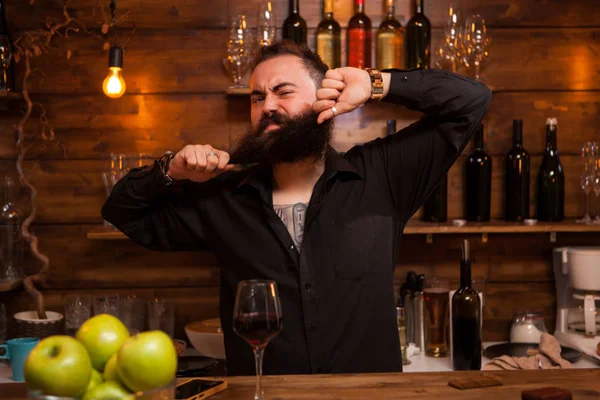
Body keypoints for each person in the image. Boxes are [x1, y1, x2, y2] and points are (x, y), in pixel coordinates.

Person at [102, 41, 492, 376]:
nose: (267, 105)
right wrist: (168, 170)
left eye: (282, 91)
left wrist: (375, 83)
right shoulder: (221, 195)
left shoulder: (382, 176)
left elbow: (472, 101)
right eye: (257, 97)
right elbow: (123, 211)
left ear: (326, 96)